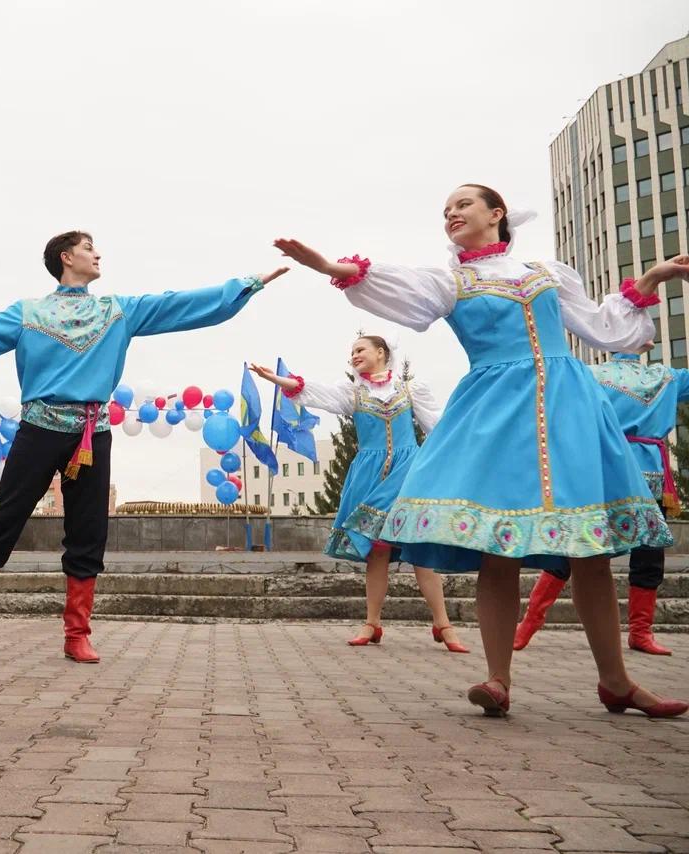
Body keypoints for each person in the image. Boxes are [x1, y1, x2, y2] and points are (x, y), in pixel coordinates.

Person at [272, 183, 688, 718]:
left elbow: (604, 330)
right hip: (495, 415)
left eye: (462, 204)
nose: (451, 213)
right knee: (500, 544)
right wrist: (331, 265)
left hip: (568, 408)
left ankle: (616, 681)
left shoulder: (548, 273)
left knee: (590, 549)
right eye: (445, 210)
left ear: (497, 214)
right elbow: (396, 288)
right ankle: (497, 679)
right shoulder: (452, 282)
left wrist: (650, 280)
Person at [0, 231, 287, 663]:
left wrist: (249, 282)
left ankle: (77, 632)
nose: (98, 254)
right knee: (4, 521)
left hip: (93, 431)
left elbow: (176, 304)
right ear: (66, 257)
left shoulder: (117, 311)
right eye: (90, 248)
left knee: (88, 530)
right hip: (39, 428)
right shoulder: (29, 313)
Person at [250, 335, 467, 652]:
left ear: (381, 353)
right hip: (370, 474)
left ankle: (443, 623)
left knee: (420, 546)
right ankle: (372, 622)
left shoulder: (410, 390)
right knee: (377, 550)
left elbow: (438, 427)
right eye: (351, 352)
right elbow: (313, 391)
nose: (354, 355)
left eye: (360, 349)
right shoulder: (353, 394)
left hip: (409, 471)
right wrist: (275, 378)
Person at [516, 344, 687, 656]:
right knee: (648, 557)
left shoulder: (589, 375)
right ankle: (640, 632)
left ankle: (528, 625)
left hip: (601, 471)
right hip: (651, 477)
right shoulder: (667, 378)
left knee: (575, 549)